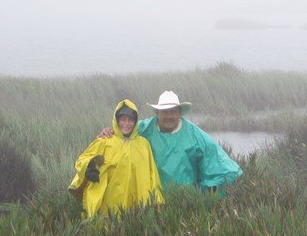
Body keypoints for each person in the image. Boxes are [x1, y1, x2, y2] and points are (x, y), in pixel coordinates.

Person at [99, 91, 242, 192]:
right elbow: (122, 133)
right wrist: (109, 131)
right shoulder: (143, 128)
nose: (169, 116)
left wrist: (205, 195)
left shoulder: (195, 135)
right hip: (149, 201)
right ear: (157, 113)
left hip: (185, 202)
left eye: (173, 111)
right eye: (165, 112)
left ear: (180, 112)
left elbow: (223, 166)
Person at [69, 100, 164, 216]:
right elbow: (82, 159)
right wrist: (89, 166)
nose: (127, 124)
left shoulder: (144, 144)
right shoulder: (105, 141)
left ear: (135, 122)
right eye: (123, 119)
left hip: (138, 203)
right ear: (116, 120)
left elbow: (152, 174)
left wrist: (157, 200)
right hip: (110, 202)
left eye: (130, 120)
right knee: (107, 228)